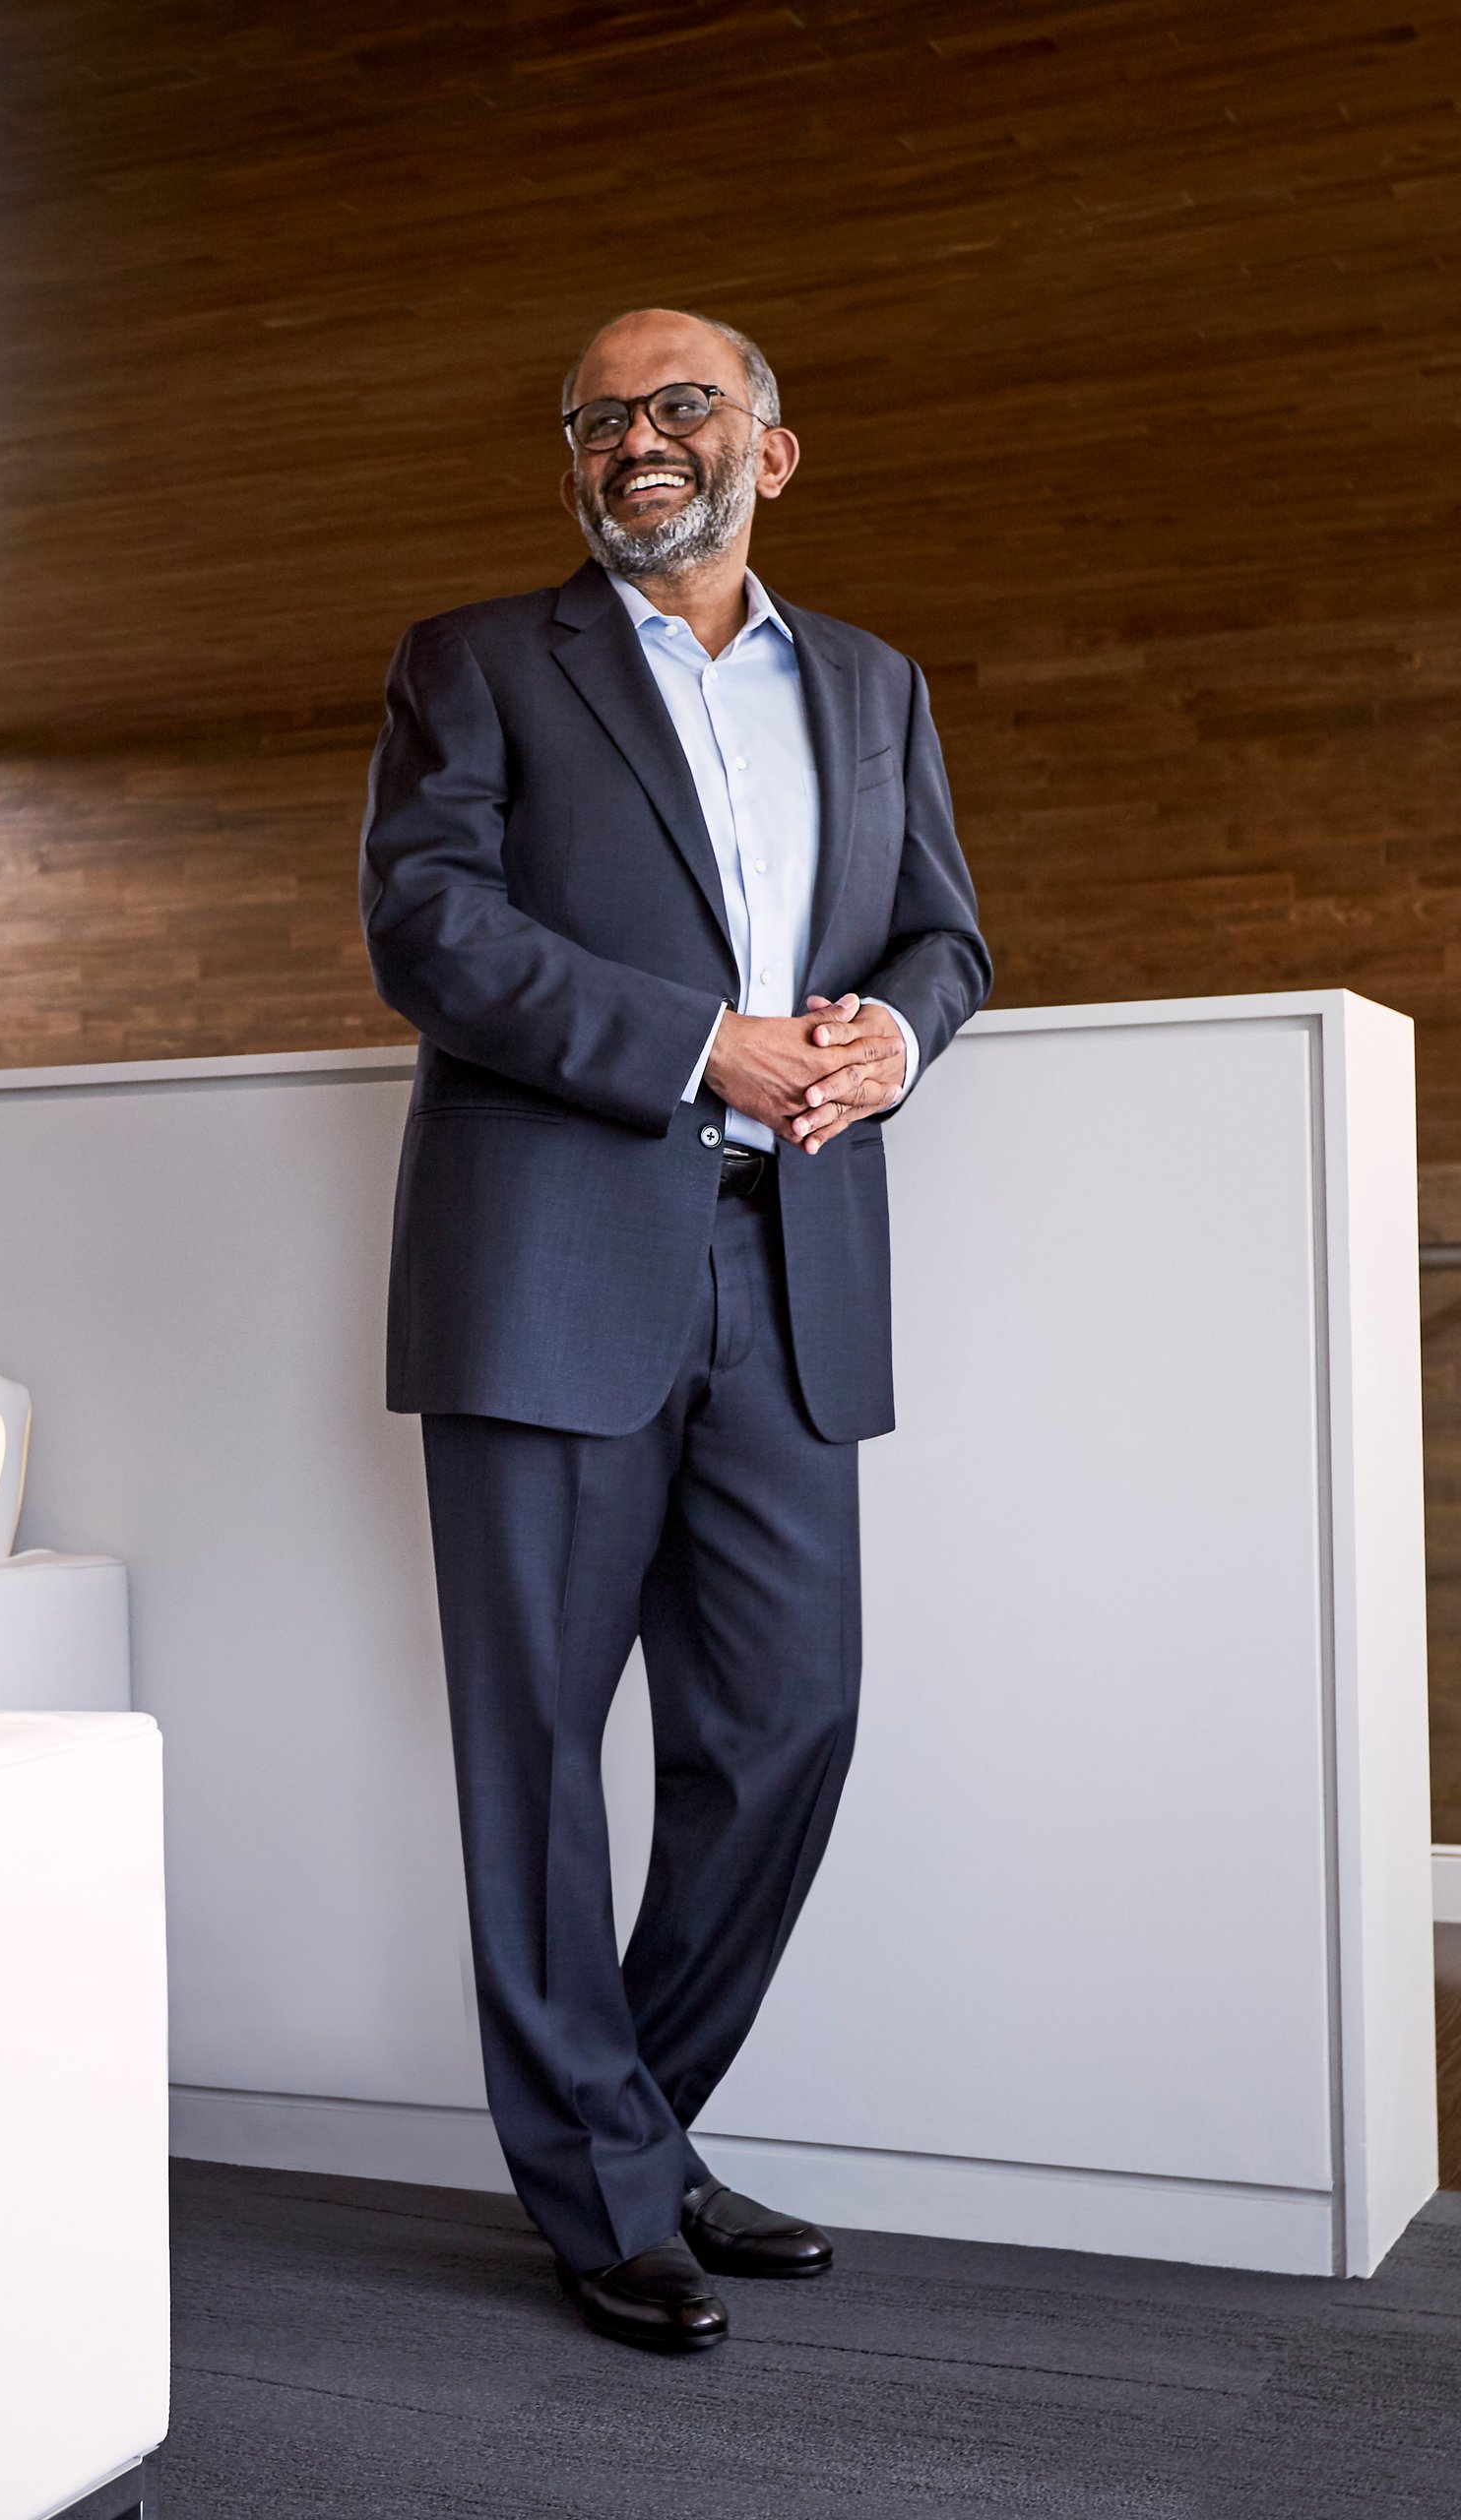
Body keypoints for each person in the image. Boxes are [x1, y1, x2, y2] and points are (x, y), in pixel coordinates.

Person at [356, 306, 992, 2353]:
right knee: (535, 1753)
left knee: (786, 1720)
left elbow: (946, 931)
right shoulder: (478, 662)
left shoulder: (876, 686)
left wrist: (900, 1030)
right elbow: (429, 929)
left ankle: (629, 2129)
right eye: (602, 416)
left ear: (772, 452)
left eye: (680, 404)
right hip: (548, 1260)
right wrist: (691, 1042)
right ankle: (609, 2190)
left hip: (795, 1260)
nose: (639, 437)